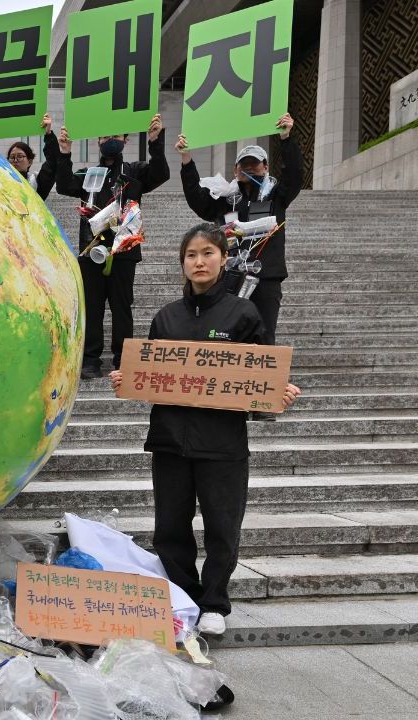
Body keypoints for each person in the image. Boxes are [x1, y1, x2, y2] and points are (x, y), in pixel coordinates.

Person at [109, 223, 301, 636]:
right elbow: (152, 374)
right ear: (183, 263)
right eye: (192, 255)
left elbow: (261, 376)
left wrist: (277, 396)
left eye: (208, 253)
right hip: (169, 441)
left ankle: (214, 602)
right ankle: (183, 600)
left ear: (224, 258)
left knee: (221, 526)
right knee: (169, 528)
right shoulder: (166, 317)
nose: (200, 261)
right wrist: (129, 380)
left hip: (223, 443)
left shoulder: (243, 313)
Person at [55, 114, 170, 379]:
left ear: (126, 140)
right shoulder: (88, 174)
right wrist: (64, 152)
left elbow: (161, 173)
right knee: (92, 307)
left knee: (122, 306)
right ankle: (90, 359)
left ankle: (123, 358)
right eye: (106, 136)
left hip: (124, 250)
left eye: (117, 136)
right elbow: (63, 185)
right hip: (92, 249)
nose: (111, 141)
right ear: (97, 140)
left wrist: (155, 142)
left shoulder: (135, 171)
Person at [177, 113, 300, 350]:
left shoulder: (277, 197)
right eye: (244, 165)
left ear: (266, 167)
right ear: (235, 171)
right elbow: (196, 199)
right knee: (226, 336)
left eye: (255, 164)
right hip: (228, 278)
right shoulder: (224, 200)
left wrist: (285, 138)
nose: (250, 169)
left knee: (263, 337)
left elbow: (294, 176)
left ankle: (263, 381)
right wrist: (186, 159)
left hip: (266, 278)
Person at [5, 113, 57, 200]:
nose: (15, 160)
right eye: (12, 157)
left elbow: (53, 162)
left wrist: (48, 133)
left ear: (29, 162)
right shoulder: (0, 180)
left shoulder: (37, 183)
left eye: (20, 156)